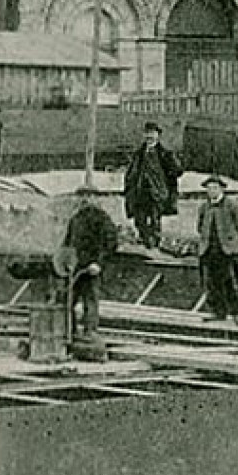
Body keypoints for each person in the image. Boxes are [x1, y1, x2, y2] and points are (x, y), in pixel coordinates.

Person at [62, 185, 120, 338]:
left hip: (91, 267)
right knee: (68, 301)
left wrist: (99, 264)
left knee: (90, 301)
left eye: (89, 195)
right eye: (81, 196)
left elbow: (110, 243)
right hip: (75, 268)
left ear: (96, 198)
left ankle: (90, 333)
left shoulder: (102, 218)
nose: (85, 199)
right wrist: (64, 262)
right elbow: (67, 243)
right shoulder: (75, 219)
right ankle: (70, 332)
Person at [196, 174, 238, 324]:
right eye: (209, 188)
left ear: (222, 189)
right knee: (212, 282)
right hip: (209, 249)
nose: (211, 191)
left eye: (215, 188)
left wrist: (231, 241)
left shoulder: (232, 206)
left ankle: (237, 313)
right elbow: (200, 227)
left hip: (228, 250)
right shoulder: (204, 207)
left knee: (232, 281)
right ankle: (217, 311)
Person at [123, 121, 182, 249]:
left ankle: (154, 245)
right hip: (140, 192)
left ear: (158, 136)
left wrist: (171, 167)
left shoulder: (164, 153)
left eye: (152, 134)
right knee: (139, 220)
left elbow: (178, 171)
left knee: (155, 220)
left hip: (157, 193)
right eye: (147, 133)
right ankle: (145, 242)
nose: (149, 136)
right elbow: (131, 173)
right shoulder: (139, 154)